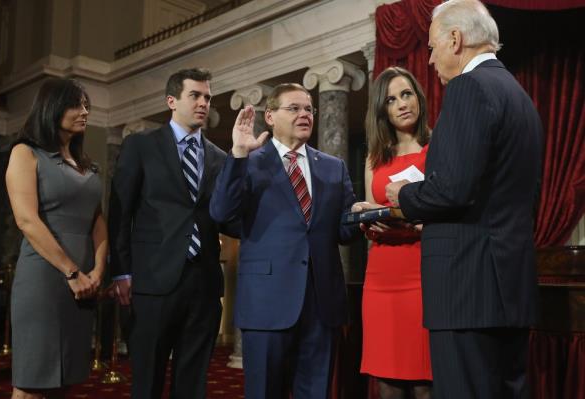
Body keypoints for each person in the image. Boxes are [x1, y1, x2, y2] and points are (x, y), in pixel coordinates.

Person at [384, 1, 543, 398]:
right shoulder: (518, 94)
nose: (432, 57)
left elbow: (451, 189)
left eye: (433, 45)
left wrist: (403, 195)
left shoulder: (469, 88)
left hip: (467, 288)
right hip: (508, 286)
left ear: (455, 39)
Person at [210, 83, 359, 399]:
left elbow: (345, 232)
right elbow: (221, 212)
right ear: (270, 116)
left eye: (309, 109)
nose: (304, 114)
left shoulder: (334, 167)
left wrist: (361, 215)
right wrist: (237, 153)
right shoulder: (249, 162)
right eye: (294, 108)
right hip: (267, 303)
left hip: (322, 305)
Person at [108, 68, 238, 399]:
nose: (203, 103)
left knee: (193, 383)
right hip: (152, 281)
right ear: (172, 101)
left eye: (207, 97)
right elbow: (121, 213)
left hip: (204, 283)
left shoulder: (221, 158)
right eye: (195, 95)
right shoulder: (141, 146)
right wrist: (121, 270)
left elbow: (227, 219)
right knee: (147, 380)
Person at [6, 78, 106, 399]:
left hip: (85, 283)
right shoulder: (26, 153)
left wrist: (97, 272)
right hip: (45, 279)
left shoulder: (88, 165)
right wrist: (72, 273)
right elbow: (26, 220)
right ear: (53, 108)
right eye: (76, 105)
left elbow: (98, 221)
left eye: (87, 105)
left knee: (64, 382)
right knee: (32, 384)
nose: (85, 111)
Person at [356, 66, 432, 399]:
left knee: (423, 380)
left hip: (423, 272)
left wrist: (413, 221)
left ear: (418, 98)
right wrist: (363, 213)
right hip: (381, 274)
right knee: (386, 379)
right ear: (382, 109)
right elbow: (375, 210)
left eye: (407, 94)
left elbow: (445, 211)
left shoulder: (437, 148)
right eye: (391, 99)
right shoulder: (375, 156)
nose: (402, 104)